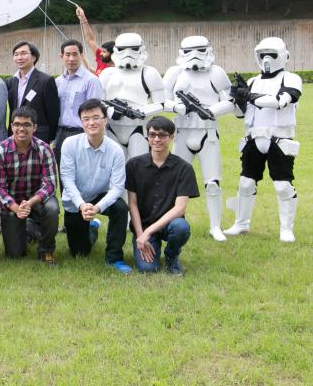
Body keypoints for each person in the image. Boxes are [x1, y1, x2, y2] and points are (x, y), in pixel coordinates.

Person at [225, 37, 302, 243]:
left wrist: (249, 95)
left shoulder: (291, 79)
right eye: (262, 55)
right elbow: (241, 114)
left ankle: (286, 228)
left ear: (284, 56)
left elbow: (279, 102)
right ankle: (241, 223)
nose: (267, 59)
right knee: (246, 183)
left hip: (279, 138)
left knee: (283, 185)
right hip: (253, 138)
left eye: (272, 54)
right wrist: (238, 99)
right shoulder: (252, 81)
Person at [162, 36, 236, 241]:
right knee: (175, 181)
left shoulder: (216, 73)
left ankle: (215, 226)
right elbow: (162, 100)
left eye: (199, 50)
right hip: (182, 132)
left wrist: (212, 111)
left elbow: (231, 101)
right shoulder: (174, 73)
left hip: (207, 132)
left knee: (212, 182)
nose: (194, 56)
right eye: (189, 51)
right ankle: (176, 221)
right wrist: (177, 107)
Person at [59, 99, 130, 274]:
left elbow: (117, 188)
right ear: (81, 123)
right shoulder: (69, 144)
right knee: (79, 253)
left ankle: (114, 257)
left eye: (96, 117)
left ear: (105, 120)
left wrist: (97, 207)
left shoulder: (115, 150)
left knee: (121, 208)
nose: (92, 122)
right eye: (86, 119)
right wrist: (82, 205)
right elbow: (67, 180)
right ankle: (92, 228)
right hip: (77, 200)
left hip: (100, 196)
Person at [126, 116, 199, 275]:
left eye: (162, 135)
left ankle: (171, 256)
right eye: (152, 135)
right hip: (143, 225)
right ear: (147, 136)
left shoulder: (184, 168)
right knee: (148, 269)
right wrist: (141, 234)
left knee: (181, 227)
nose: (157, 139)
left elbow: (180, 209)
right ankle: (151, 248)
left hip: (169, 224)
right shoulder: (133, 165)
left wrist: (148, 232)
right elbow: (132, 204)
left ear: (172, 137)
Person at [0, 106, 60, 264]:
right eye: (17, 124)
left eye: (27, 124)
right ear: (12, 126)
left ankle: (46, 250)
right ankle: (30, 228)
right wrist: (16, 207)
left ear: (34, 127)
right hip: (12, 203)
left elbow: (50, 184)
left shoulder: (45, 149)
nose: (21, 128)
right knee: (14, 254)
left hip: (37, 200)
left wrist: (31, 202)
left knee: (53, 208)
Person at [99, 32, 166, 161]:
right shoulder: (107, 74)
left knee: (139, 169)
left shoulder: (149, 73)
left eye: (133, 49)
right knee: (116, 169)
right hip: (112, 127)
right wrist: (110, 110)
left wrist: (140, 112)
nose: (127, 54)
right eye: (123, 50)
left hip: (139, 127)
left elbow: (161, 103)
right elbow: (99, 101)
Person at [54, 39, 105, 160]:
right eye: (67, 55)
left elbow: (95, 112)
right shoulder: (58, 82)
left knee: (84, 173)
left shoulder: (91, 81)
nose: (71, 59)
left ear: (81, 56)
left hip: (82, 133)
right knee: (63, 173)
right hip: (61, 134)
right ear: (61, 56)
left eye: (75, 54)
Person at [6, 41, 60, 145]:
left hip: (38, 136)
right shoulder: (11, 81)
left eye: (23, 53)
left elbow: (53, 113)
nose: (19, 57)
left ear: (34, 57)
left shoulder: (46, 80)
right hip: (16, 135)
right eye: (16, 54)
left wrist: (49, 137)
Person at [75, 6, 114, 76]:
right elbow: (90, 40)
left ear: (113, 54)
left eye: (104, 52)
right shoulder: (101, 59)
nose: (101, 53)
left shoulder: (119, 68)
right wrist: (83, 19)